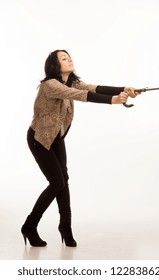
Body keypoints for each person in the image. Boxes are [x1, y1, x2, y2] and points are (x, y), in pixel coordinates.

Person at [21, 49, 139, 247]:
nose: (69, 60)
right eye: (64, 59)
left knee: (63, 180)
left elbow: (94, 88)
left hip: (57, 138)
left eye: (70, 57)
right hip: (40, 139)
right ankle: (30, 226)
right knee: (57, 182)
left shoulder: (72, 81)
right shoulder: (50, 85)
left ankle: (65, 226)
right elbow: (80, 95)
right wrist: (114, 100)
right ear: (55, 65)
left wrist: (124, 88)